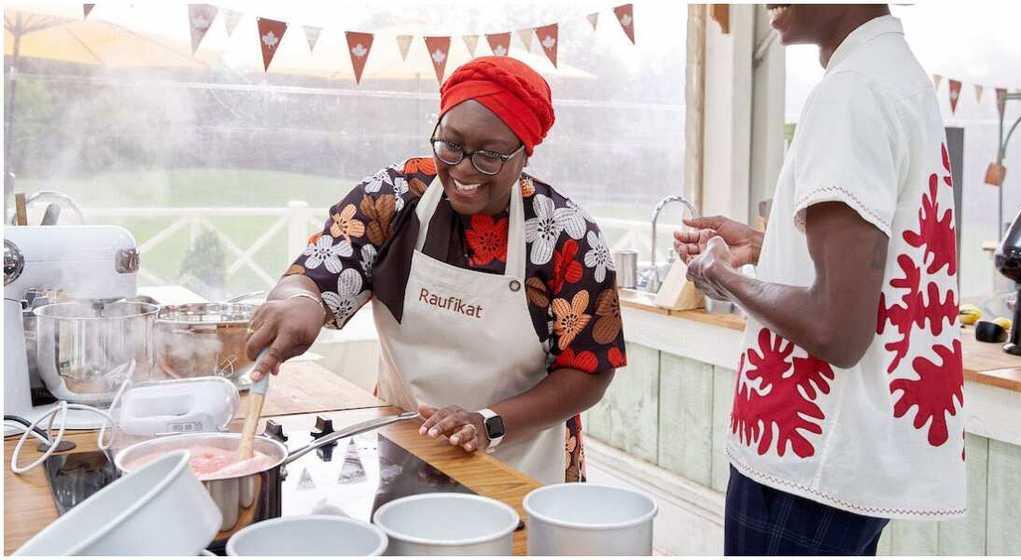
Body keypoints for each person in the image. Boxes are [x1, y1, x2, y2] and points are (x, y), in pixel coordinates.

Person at [246, 56, 625, 485]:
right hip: (404, 447)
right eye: (451, 144)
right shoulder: (394, 197)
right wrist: (300, 301)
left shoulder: (566, 236)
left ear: (523, 154)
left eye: (490, 156)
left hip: (524, 464)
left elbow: (589, 371)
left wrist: (488, 423)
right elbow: (319, 269)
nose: (463, 168)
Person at [675, 4, 964, 555]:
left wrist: (719, 274)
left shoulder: (851, 92)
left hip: (807, 461)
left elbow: (837, 329)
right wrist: (767, 248)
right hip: (844, 460)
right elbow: (881, 269)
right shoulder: (893, 73)